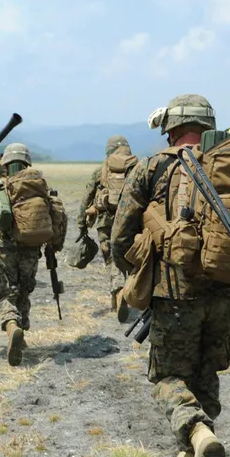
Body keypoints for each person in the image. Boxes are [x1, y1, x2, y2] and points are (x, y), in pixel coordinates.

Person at [112, 94, 230, 457]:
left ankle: (197, 432)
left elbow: (120, 235)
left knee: (168, 377)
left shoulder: (153, 167)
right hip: (228, 294)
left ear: (171, 128)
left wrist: (137, 272)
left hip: (175, 294)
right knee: (206, 371)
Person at [0, 143, 60, 366]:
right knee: (24, 289)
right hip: (31, 248)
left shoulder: (1, 188)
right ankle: (21, 335)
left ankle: (12, 326)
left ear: (6, 164)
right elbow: (55, 216)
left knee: (7, 293)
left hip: (5, 248)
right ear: (26, 162)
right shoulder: (40, 187)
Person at [77, 135, 138, 321]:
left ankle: (119, 293)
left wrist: (81, 225)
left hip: (106, 221)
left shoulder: (100, 171)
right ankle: (128, 293)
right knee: (131, 257)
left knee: (112, 259)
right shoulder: (137, 167)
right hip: (131, 220)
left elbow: (86, 199)